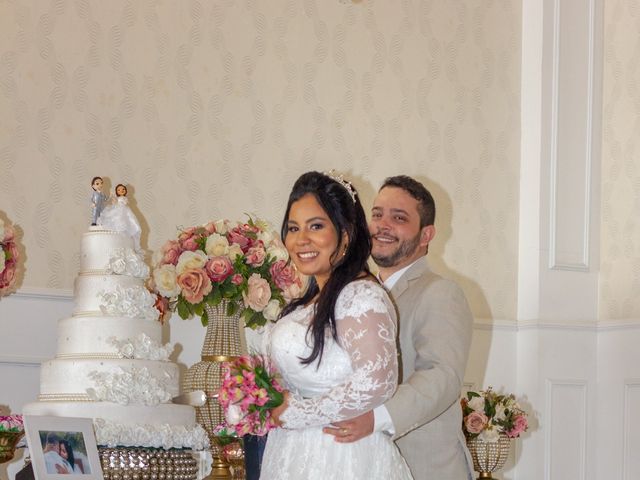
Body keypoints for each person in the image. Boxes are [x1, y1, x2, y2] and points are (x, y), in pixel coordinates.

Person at [258, 171, 413, 480]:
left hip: (343, 457)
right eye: (293, 228)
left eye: (316, 226)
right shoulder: (306, 303)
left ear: (345, 233)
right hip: (291, 453)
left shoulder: (360, 294)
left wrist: (296, 414)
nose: (301, 239)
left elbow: (377, 380)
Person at [325, 175, 475, 479]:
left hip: (424, 469)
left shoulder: (440, 293)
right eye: (377, 214)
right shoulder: (355, 294)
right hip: (362, 463)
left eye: (399, 218)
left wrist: (376, 418)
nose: (382, 225)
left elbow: (441, 375)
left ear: (426, 234)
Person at [97, 183, 142, 251]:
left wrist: (117, 201)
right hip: (117, 209)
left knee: (124, 220)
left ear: (126, 191)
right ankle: (117, 235)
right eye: (119, 190)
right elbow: (115, 203)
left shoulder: (124, 198)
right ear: (117, 191)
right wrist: (114, 201)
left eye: (123, 189)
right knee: (114, 218)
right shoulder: (118, 198)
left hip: (123, 211)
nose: (121, 190)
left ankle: (123, 235)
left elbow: (124, 203)